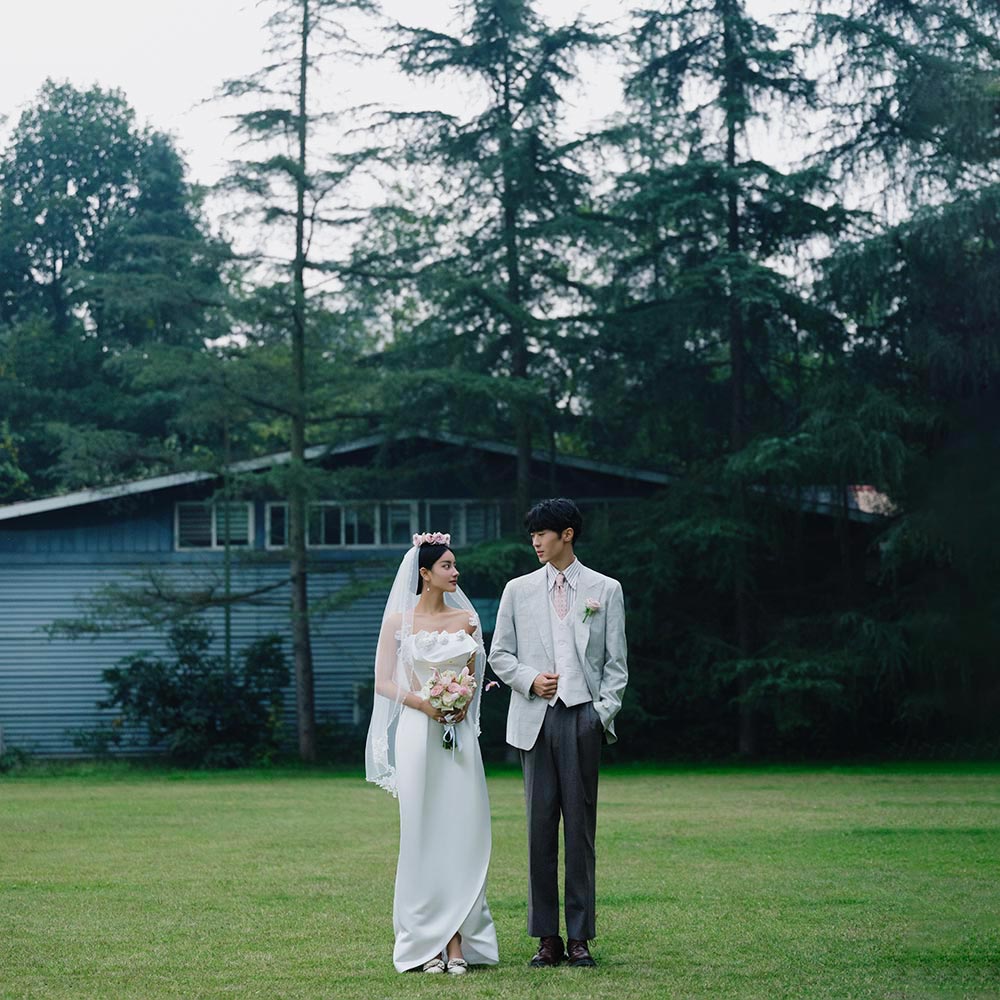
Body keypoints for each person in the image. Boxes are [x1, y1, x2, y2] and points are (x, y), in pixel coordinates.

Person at [488, 498, 628, 969]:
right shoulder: (517, 590)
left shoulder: (605, 589)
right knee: (539, 831)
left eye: (542, 533)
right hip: (535, 720)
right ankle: (547, 938)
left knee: (581, 834)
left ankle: (580, 938)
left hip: (583, 717)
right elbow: (499, 653)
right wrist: (530, 680)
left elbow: (616, 664)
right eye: (532, 534)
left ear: (567, 534)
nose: (535, 541)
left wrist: (599, 715)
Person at [365, 532, 499, 975]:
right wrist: (425, 704)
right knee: (422, 834)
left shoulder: (467, 620)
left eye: (454, 565)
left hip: (458, 735)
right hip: (418, 731)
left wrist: (460, 701)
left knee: (462, 831)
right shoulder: (397, 622)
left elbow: (472, 677)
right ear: (425, 573)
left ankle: (458, 941)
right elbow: (384, 681)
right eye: (446, 565)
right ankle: (425, 943)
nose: (455, 572)